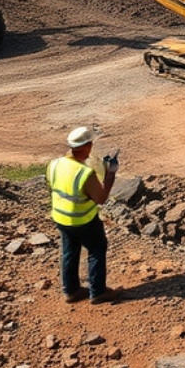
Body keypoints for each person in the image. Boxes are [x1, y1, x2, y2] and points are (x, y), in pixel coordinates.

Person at [48, 126, 119, 304]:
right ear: (87, 146)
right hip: (83, 219)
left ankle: (70, 292)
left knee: (69, 251)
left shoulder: (55, 164)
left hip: (60, 218)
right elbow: (101, 198)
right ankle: (97, 292)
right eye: (91, 144)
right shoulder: (85, 173)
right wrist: (110, 174)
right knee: (96, 249)